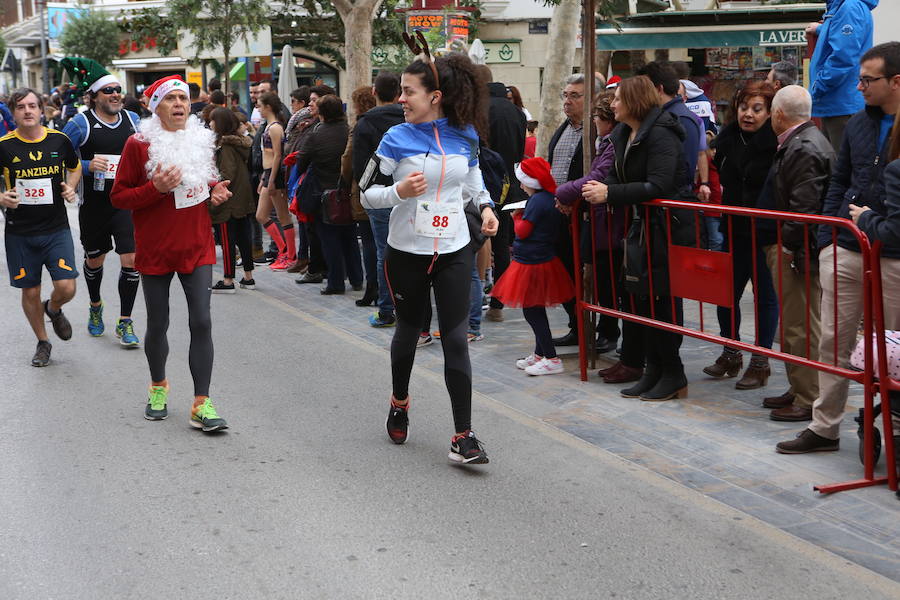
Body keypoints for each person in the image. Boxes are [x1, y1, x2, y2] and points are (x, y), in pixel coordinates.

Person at [360, 52, 499, 464]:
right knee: (408, 331)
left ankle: (464, 436)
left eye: (409, 91)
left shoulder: (466, 135)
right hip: (406, 252)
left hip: (454, 249)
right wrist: (398, 194)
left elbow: (472, 178)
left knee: (455, 339)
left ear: (435, 96)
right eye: (401, 91)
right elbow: (366, 194)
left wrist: (487, 207)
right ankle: (400, 401)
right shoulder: (394, 138)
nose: (401, 99)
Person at [777, 41, 900, 454]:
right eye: (859, 78)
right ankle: (825, 426)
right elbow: (839, 179)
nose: (860, 86)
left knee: (893, 351)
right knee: (834, 342)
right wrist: (827, 239)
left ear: (895, 82)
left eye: (868, 79)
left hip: (894, 255)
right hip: (846, 248)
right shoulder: (858, 124)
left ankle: (884, 427)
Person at [110, 74, 231, 431]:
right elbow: (119, 197)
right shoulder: (138, 144)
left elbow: (199, 183)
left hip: (196, 245)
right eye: (171, 99)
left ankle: (201, 402)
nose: (180, 104)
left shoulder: (201, 138)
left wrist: (215, 191)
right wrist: (155, 189)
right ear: (155, 106)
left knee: (202, 321)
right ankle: (158, 386)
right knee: (158, 322)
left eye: (184, 98)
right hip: (156, 248)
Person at [581, 75, 691, 401]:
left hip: (666, 230)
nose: (612, 105)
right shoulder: (625, 134)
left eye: (618, 99)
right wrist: (601, 188)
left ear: (634, 102)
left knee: (663, 303)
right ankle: (654, 369)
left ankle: (673, 372)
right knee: (643, 300)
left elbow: (659, 184)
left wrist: (609, 193)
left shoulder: (662, 134)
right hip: (641, 230)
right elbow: (618, 172)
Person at [756, 85, 834, 422]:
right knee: (795, 324)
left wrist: (789, 245)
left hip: (797, 249)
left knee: (800, 324)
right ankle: (800, 386)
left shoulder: (803, 146)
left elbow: (804, 207)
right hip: (795, 246)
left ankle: (807, 396)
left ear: (777, 115)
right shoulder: (803, 141)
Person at [703, 81, 780, 390]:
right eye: (744, 108)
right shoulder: (728, 139)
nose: (748, 114)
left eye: (757, 109)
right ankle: (730, 350)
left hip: (763, 231)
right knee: (725, 295)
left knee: (765, 298)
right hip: (733, 227)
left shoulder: (776, 143)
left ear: (771, 112)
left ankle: (760, 361)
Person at [61, 57, 142, 346]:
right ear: (93, 96)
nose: (116, 94)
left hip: (126, 203)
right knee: (95, 259)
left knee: (131, 260)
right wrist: (85, 166)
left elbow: (147, 154)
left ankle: (126, 321)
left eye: (118, 89)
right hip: (94, 204)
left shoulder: (133, 121)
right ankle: (95, 307)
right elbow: (59, 159)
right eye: (108, 90)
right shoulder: (80, 124)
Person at [0, 88, 81, 366]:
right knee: (30, 290)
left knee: (67, 287)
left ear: (42, 109)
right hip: (19, 232)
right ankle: (43, 342)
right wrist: (1, 197)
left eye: (33, 105)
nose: (28, 111)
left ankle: (54, 307)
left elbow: (75, 165)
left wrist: (70, 188)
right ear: (13, 113)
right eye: (21, 107)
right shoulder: (4, 145)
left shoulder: (59, 140)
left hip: (56, 227)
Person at [555, 91, 632, 382]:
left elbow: (596, 177)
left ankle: (614, 337)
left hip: (611, 225)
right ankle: (604, 333)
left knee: (614, 285)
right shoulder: (605, 141)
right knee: (604, 281)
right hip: (599, 222)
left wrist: (564, 192)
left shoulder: (614, 142)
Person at [492, 157, 573, 376]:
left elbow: (523, 231)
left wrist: (516, 217)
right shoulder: (548, 198)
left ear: (531, 182)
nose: (520, 185)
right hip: (540, 259)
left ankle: (551, 358)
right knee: (535, 308)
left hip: (533, 261)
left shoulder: (537, 201)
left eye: (522, 181)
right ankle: (540, 354)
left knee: (532, 311)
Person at [547, 73, 600, 346]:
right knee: (565, 271)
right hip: (558, 213)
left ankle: (603, 330)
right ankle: (576, 325)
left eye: (575, 96)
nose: (567, 101)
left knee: (593, 272)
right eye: (565, 95)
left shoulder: (597, 131)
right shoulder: (563, 128)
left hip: (585, 213)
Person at [352, 72, 405, 326]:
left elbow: (360, 167)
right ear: (399, 93)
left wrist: (364, 194)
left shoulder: (366, 123)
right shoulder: (411, 118)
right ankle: (411, 307)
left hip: (379, 196)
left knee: (385, 252)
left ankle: (387, 309)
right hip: (409, 193)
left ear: (374, 92)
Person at [297, 94, 361, 294]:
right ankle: (357, 278)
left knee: (329, 239)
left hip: (323, 194)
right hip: (346, 192)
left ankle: (335, 282)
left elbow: (302, 161)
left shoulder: (316, 134)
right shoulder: (349, 131)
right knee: (350, 236)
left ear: (323, 113)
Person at [484, 67, 526, 323]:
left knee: (477, 243)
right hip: (510, 181)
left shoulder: (481, 110)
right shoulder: (517, 112)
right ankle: (499, 301)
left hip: (486, 180)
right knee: (502, 245)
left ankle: (473, 300)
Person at [807, 0, 877, 152]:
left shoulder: (849, 7)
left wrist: (816, 88)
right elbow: (843, 37)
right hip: (839, 103)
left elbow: (843, 58)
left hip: (841, 105)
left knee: (841, 168)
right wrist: (820, 28)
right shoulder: (846, 6)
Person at [209, 107, 256, 293]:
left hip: (229, 199)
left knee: (227, 239)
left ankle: (228, 280)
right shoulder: (238, 143)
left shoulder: (226, 145)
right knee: (244, 238)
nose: (210, 123)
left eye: (212, 120)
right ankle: (248, 277)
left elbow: (227, 174)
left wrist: (215, 186)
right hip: (242, 197)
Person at [344, 86, 379, 305]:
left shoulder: (361, 124)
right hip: (393, 189)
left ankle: (372, 288)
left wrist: (345, 182)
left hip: (366, 189)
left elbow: (348, 158)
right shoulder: (396, 119)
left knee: (368, 242)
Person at [256, 91, 296, 270]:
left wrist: (271, 180)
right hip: (269, 173)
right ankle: (284, 250)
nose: (258, 109)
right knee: (261, 215)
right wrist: (265, 178)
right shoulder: (270, 126)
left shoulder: (274, 128)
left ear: (268, 107)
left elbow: (278, 155)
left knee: (283, 216)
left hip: (274, 174)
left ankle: (290, 254)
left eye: (260, 105)